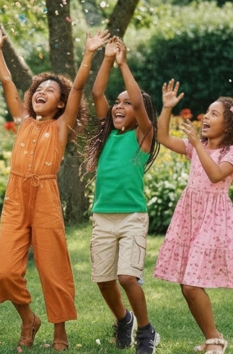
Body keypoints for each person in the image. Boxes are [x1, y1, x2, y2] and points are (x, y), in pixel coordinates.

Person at [0, 28, 110, 351]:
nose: (42, 90)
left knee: (53, 266)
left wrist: (89, 53)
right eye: (39, 88)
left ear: (61, 103)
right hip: (16, 195)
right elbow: (8, 84)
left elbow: (79, 86)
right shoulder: (23, 119)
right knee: (5, 270)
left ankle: (60, 330)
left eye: (51, 90)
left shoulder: (60, 126)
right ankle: (28, 318)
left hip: (45, 196)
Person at [153, 80, 233, 354]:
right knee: (186, 284)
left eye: (214, 114)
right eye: (207, 113)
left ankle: (215, 340)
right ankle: (212, 338)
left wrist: (197, 146)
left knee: (191, 285)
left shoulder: (232, 151)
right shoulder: (198, 146)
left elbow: (215, 174)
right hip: (190, 216)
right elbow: (162, 137)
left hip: (213, 220)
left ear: (229, 125)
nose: (206, 118)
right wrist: (166, 108)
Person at [87, 38, 160, 354]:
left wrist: (123, 64)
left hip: (132, 216)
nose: (120, 105)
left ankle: (146, 331)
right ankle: (124, 319)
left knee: (127, 277)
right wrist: (106, 59)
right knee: (104, 281)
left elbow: (140, 104)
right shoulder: (107, 133)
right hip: (103, 216)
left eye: (126, 103)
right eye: (117, 102)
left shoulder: (142, 137)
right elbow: (96, 93)